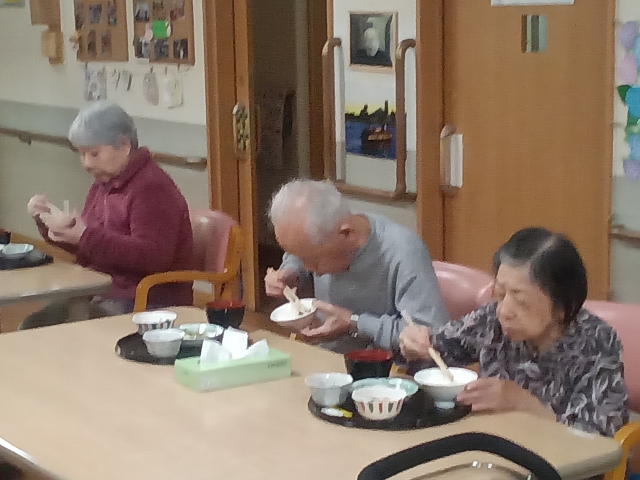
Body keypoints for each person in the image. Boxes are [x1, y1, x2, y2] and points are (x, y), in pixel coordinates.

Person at [399, 227, 628, 437]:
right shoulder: (491, 319)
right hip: (496, 446)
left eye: (521, 301)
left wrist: (524, 404)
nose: (504, 311)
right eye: (500, 294)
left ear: (563, 307)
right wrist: (414, 345)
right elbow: (436, 351)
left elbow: (596, 441)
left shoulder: (596, 342)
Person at [20, 101, 194, 329]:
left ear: (124, 145)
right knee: (32, 326)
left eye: (94, 153)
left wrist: (84, 236)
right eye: (81, 154)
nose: (86, 164)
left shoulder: (152, 187)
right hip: (100, 289)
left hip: (145, 298)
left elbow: (153, 257)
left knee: (60, 331)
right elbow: (91, 248)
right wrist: (47, 223)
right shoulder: (103, 184)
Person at [265, 179, 449, 353]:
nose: (308, 268)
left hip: (381, 367)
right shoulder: (321, 237)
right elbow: (299, 252)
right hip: (326, 356)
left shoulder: (404, 252)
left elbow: (430, 334)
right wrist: (290, 271)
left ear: (347, 234)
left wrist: (354, 322)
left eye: (314, 260)